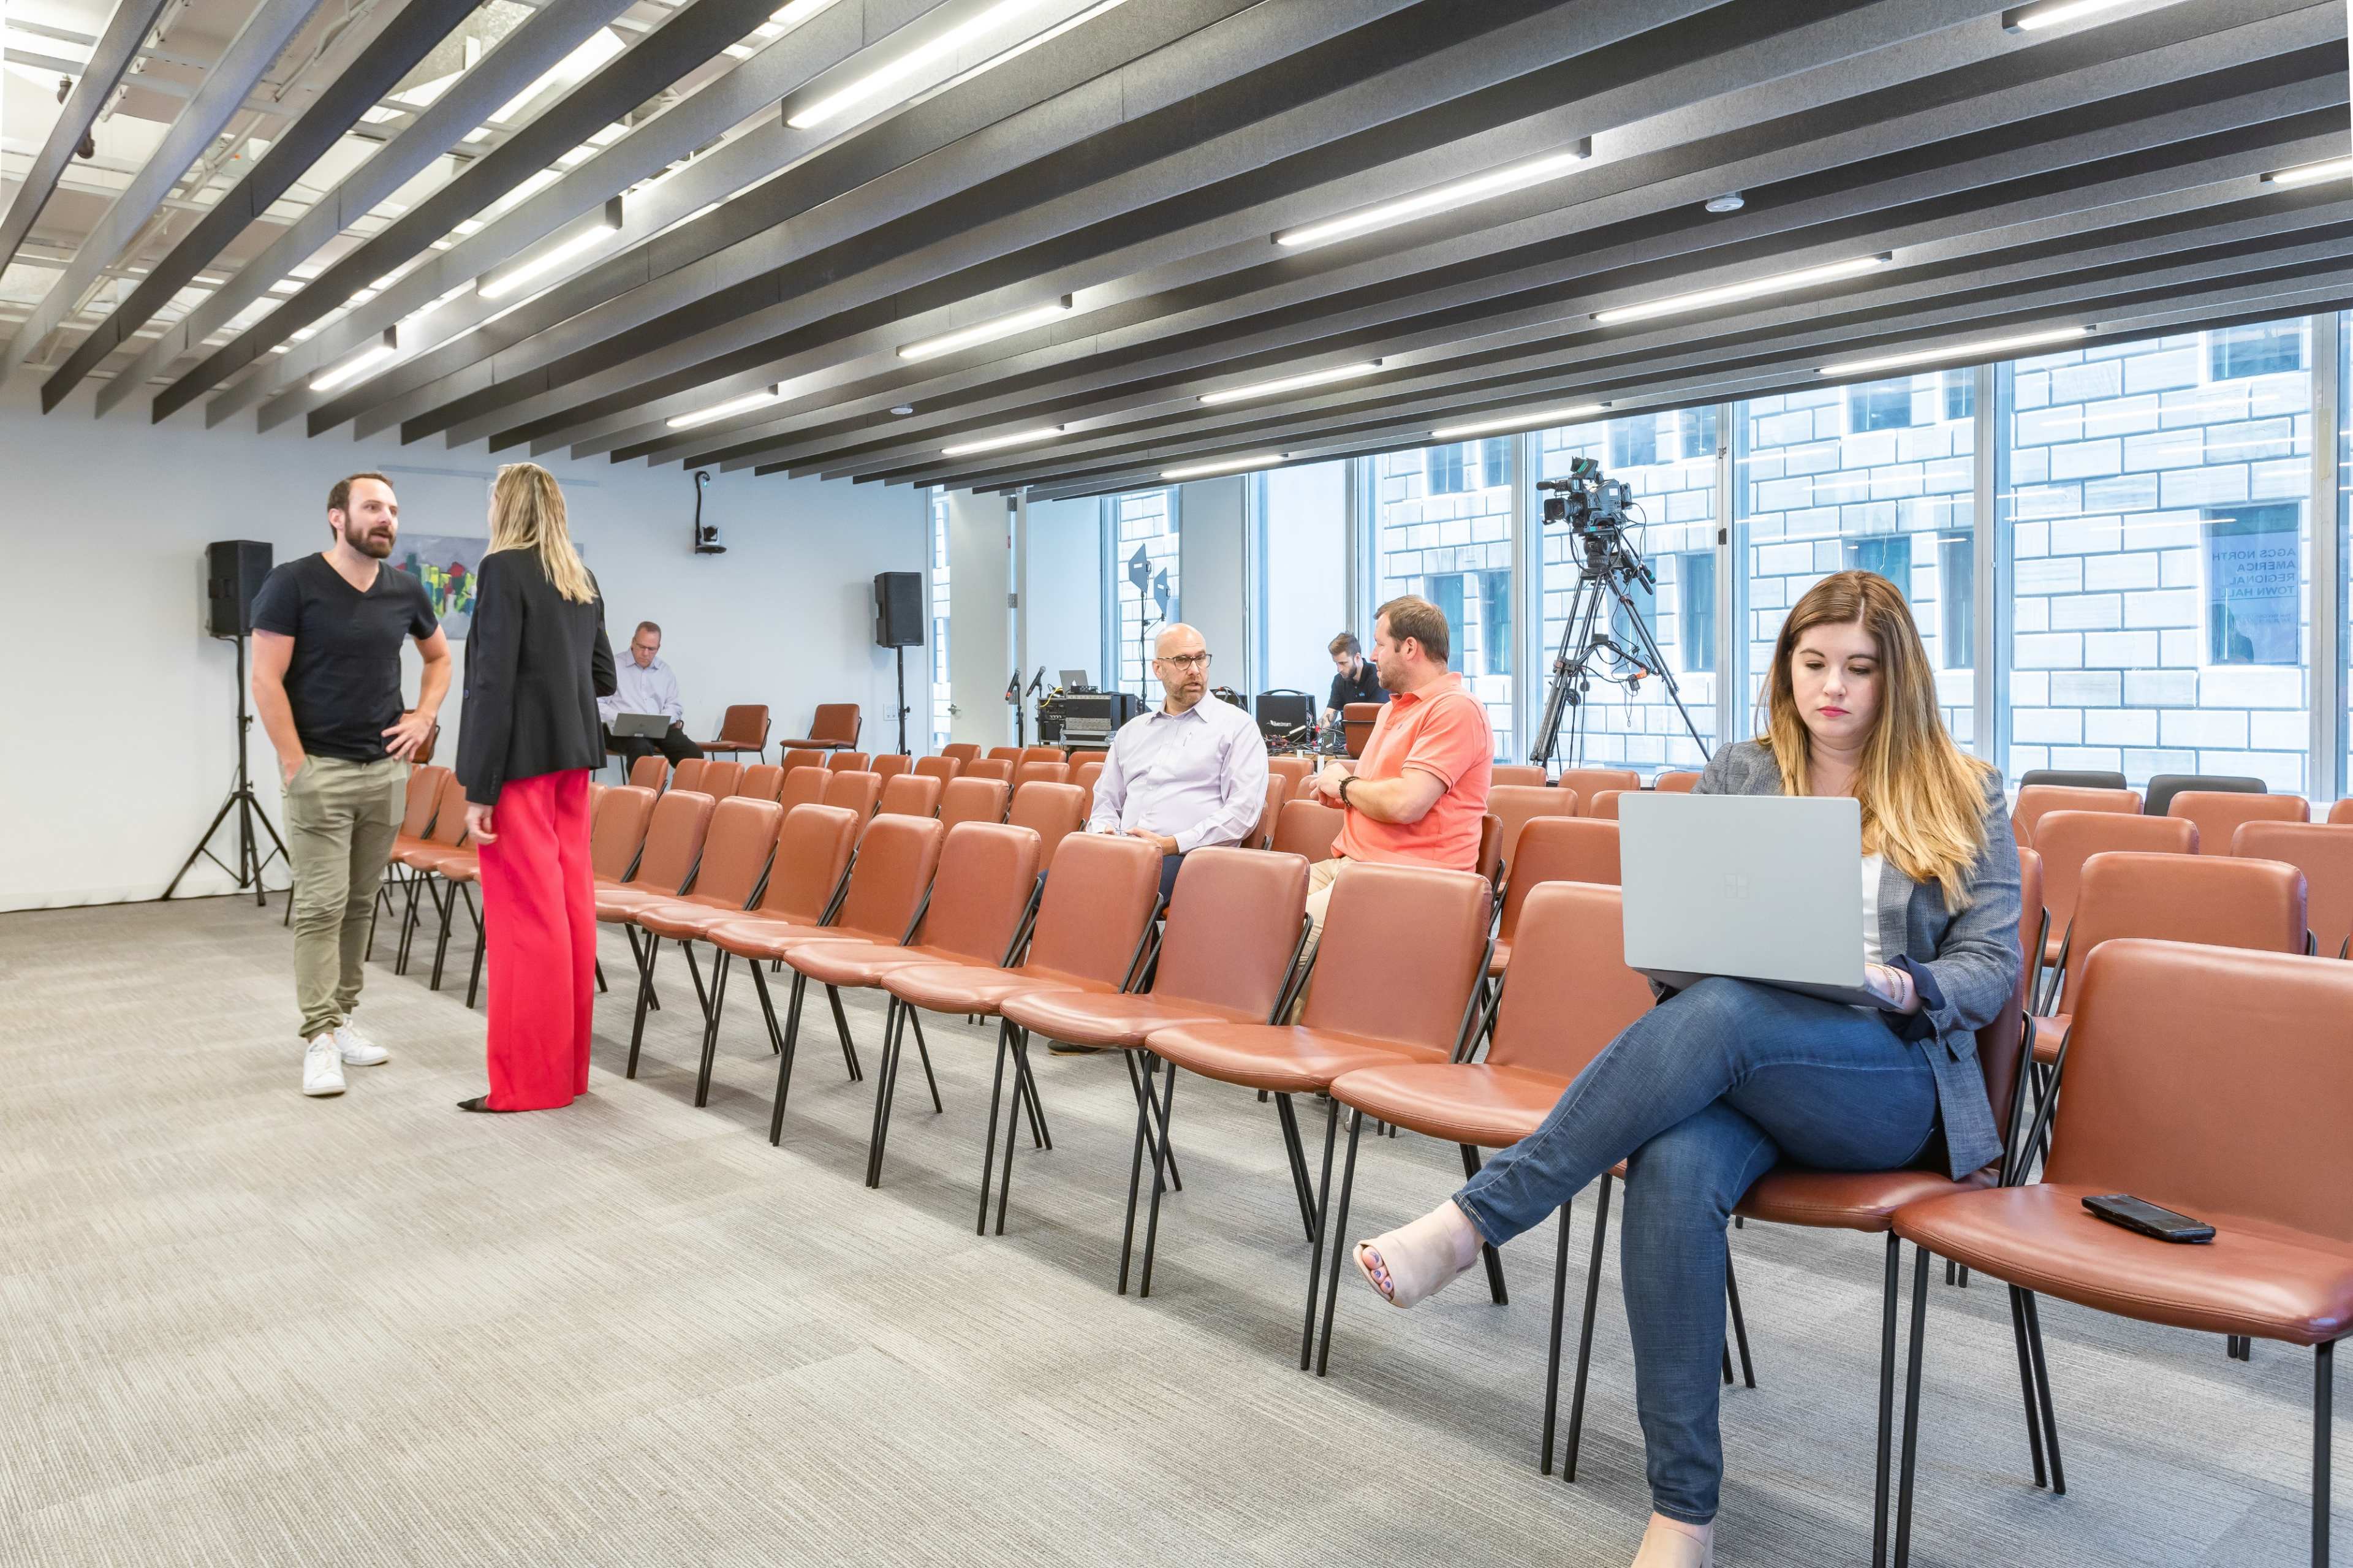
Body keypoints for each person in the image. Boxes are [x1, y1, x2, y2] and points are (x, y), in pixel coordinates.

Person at [1351, 572, 2020, 1568]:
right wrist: (1685, 942)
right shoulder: (1743, 772)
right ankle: (1684, 1514)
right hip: (1741, 1056)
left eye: (1860, 667)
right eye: (1813, 662)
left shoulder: (1964, 786)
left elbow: (1995, 965)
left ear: (1900, 676)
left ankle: (1475, 1220)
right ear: (1786, 665)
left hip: (1889, 1075)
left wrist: (1897, 979)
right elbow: (1677, 941)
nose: (1832, 685)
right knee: (1672, 1157)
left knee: (1734, 1010)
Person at [251, 472, 452, 1099]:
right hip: (321, 771)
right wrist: (293, 762)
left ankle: (342, 1019)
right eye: (372, 508)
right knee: (320, 905)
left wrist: (423, 718)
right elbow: (265, 679)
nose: (385, 518)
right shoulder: (292, 583)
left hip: (385, 771)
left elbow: (439, 658)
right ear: (338, 517)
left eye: (391, 509)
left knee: (362, 904)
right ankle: (318, 1036)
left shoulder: (406, 590)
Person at [453, 464, 616, 1113]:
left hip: (519, 765)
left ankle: (526, 1085)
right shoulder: (581, 577)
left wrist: (478, 784)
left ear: (507, 505)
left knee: (526, 920)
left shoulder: (503, 570)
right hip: (573, 764)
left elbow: (490, 686)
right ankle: (567, 1073)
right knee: (570, 912)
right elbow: (602, 675)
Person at [1300, 596, 1491, 958]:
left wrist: (1345, 784)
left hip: (1413, 877)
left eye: (1380, 644)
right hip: (1355, 863)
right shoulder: (1393, 708)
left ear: (1409, 648)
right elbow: (1379, 784)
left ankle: (1299, 1016)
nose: (1372, 655)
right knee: (1256, 911)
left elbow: (1407, 803)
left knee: (1290, 935)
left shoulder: (1456, 709)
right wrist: (1344, 790)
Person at [1086, 622, 1268, 903]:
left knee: (1111, 895)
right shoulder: (1132, 732)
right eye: (1182, 660)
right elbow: (1105, 803)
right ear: (1157, 669)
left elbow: (1243, 813)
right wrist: (1104, 833)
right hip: (1122, 852)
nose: (1195, 670)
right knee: (1045, 885)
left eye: (1200, 658)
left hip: (1191, 859)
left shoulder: (1236, 727)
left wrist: (1172, 844)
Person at [599, 621, 700, 768]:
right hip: (619, 729)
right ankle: (642, 791)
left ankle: (685, 791)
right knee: (641, 747)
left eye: (651, 649)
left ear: (658, 648)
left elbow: (674, 705)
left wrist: (662, 721)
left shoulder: (664, 671)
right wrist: (621, 719)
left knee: (692, 753)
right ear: (633, 642)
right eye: (642, 647)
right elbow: (597, 703)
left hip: (658, 728)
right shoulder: (613, 666)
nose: (645, 653)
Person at [1320, 631, 1385, 726]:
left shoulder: (1377, 677)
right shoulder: (1339, 680)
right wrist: (1314, 732)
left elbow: (1376, 721)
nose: (1339, 669)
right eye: (1337, 663)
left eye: (1343, 663)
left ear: (1357, 658)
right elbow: (1328, 718)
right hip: (1347, 738)